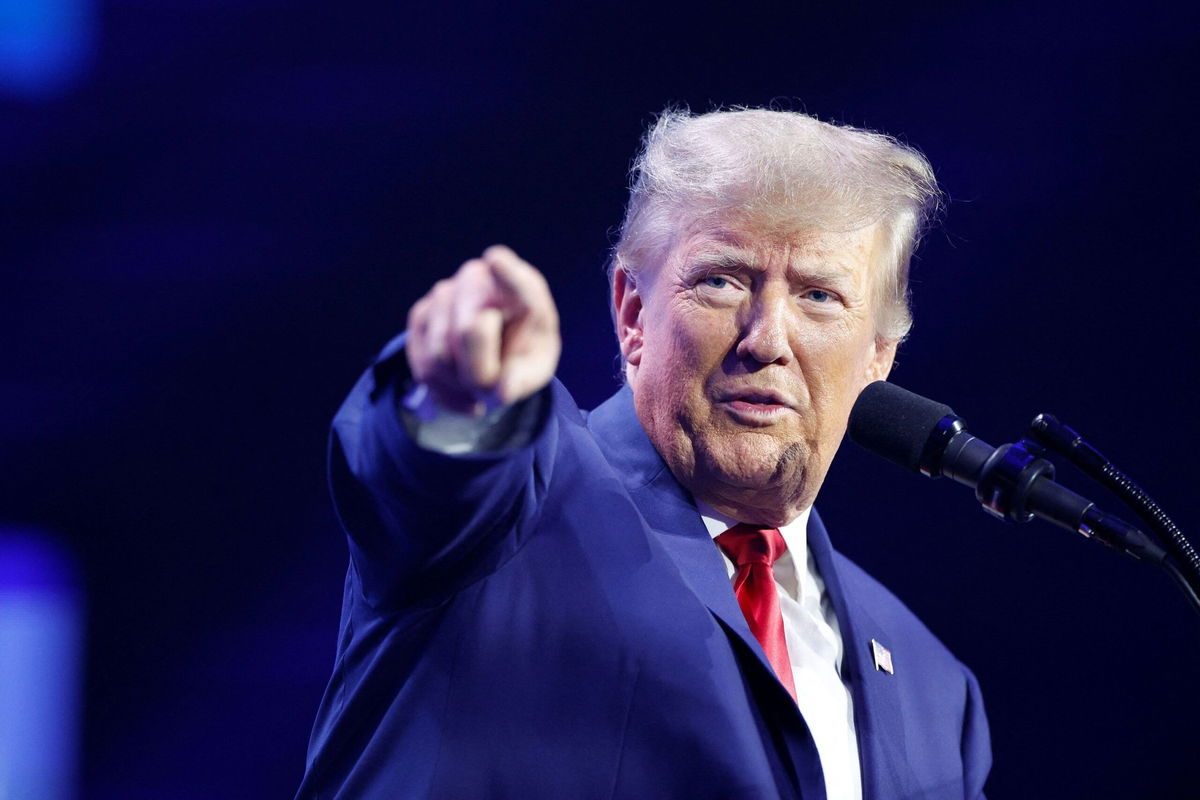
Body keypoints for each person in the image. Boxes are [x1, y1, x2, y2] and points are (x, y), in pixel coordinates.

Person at [296, 108, 992, 800]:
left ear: (878, 357)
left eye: (818, 295)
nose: (766, 339)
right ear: (632, 313)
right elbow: (431, 477)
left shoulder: (936, 692)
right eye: (723, 280)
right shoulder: (518, 506)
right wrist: (458, 395)